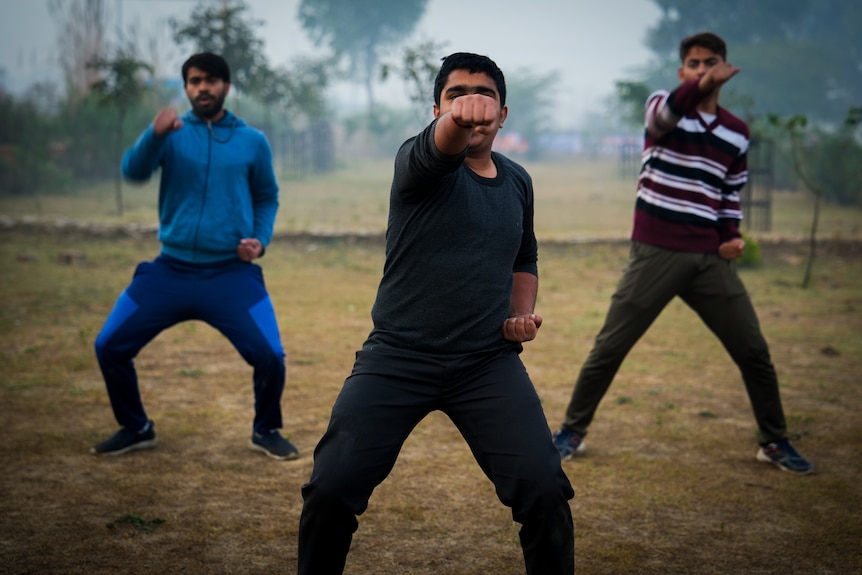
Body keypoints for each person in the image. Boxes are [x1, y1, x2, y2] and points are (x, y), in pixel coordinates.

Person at [297, 52, 575, 574]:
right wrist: (455, 121)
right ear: (435, 109)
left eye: (483, 95)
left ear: (504, 113)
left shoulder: (518, 182)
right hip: (399, 356)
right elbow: (443, 142)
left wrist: (522, 313)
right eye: (456, 96)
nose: (471, 105)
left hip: (486, 364)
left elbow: (524, 255)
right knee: (331, 489)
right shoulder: (420, 163)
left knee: (544, 491)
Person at [552, 32, 814, 475]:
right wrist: (700, 84)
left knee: (753, 350)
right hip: (655, 252)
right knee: (610, 347)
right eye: (694, 64)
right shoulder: (665, 107)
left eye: (711, 63)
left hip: (709, 258)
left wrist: (732, 236)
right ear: (682, 73)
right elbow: (663, 117)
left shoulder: (736, 132)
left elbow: (730, 193)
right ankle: (570, 433)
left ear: (726, 69)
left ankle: (774, 440)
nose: (703, 70)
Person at [91, 53, 298, 461]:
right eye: (194, 81)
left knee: (270, 355)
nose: (202, 87)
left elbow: (267, 196)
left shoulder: (252, 141)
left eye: (211, 80)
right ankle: (136, 427)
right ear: (186, 88)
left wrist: (259, 239)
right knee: (108, 344)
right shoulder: (170, 133)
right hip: (169, 270)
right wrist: (153, 134)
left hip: (230, 274)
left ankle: (266, 429)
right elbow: (133, 171)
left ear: (225, 86)